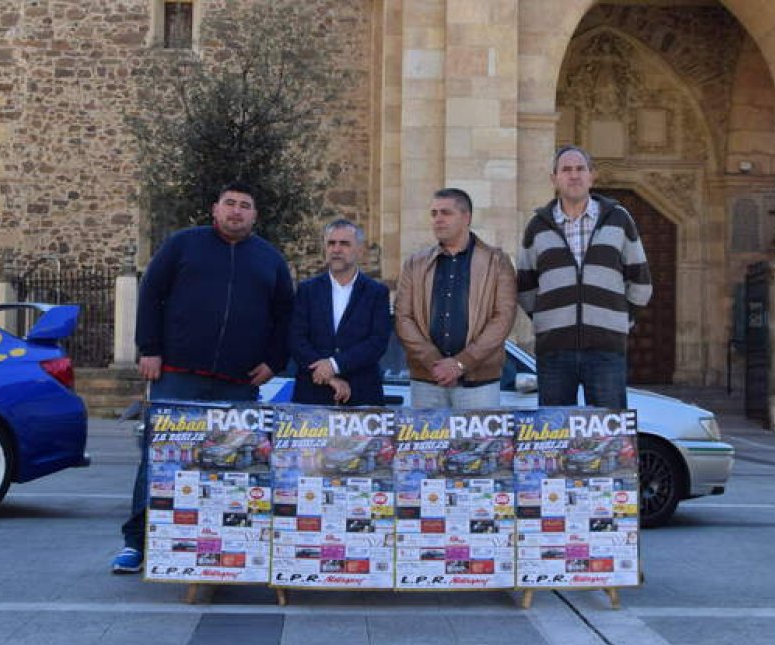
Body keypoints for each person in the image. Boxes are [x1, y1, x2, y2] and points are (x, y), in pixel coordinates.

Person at [111, 182, 294, 574]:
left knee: (232, 464)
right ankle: (136, 544)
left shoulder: (270, 260)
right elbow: (151, 293)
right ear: (215, 208)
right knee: (158, 462)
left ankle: (226, 543)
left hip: (237, 383)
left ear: (254, 216)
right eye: (229, 203)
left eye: (245, 206)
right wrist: (149, 348)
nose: (236, 211)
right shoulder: (182, 245)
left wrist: (274, 362)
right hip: (177, 378)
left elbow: (284, 317)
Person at [516, 145, 652, 409]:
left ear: (592, 176)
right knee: (554, 435)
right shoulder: (537, 227)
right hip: (554, 352)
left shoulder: (619, 219)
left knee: (609, 436)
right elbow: (525, 286)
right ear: (554, 179)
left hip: (606, 351)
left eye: (580, 169)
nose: (574, 175)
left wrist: (620, 320)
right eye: (566, 170)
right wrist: (550, 318)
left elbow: (640, 282)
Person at [395, 187, 516, 408]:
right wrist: (435, 363)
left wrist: (461, 363)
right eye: (434, 214)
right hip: (427, 381)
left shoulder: (496, 262)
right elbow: (403, 317)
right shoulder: (415, 264)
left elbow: (503, 318)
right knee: (426, 443)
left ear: (466, 217)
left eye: (446, 213)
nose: (438, 220)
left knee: (477, 444)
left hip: (479, 384)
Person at [289, 218, 391, 406]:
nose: (336, 249)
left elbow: (377, 342)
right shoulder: (307, 290)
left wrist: (334, 365)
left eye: (344, 244)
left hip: (361, 395)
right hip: (312, 395)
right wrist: (328, 377)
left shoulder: (376, 292)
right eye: (331, 243)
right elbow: (297, 339)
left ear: (360, 250)